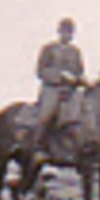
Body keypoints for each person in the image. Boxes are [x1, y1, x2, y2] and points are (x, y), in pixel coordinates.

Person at [32, 17, 85, 157]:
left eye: (70, 33)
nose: (67, 35)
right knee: (47, 114)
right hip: (52, 89)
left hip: (70, 91)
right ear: (59, 32)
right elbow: (41, 71)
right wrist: (60, 76)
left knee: (82, 112)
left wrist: (80, 80)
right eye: (65, 32)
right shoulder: (49, 49)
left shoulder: (76, 52)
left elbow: (79, 70)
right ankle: (38, 146)